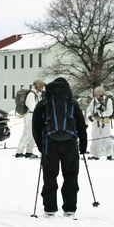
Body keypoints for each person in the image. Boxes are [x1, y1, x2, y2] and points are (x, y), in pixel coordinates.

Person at [32, 77, 87, 218]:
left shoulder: (43, 104)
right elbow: (81, 125)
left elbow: (35, 128)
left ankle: (49, 208)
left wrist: (40, 146)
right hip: (70, 144)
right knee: (70, 175)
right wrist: (83, 145)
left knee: (50, 176)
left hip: (50, 144)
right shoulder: (73, 104)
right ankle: (70, 209)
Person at [15, 80, 45, 158]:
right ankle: (19, 152)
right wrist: (38, 111)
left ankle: (29, 151)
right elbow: (30, 105)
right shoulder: (31, 94)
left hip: (35, 117)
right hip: (29, 117)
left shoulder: (38, 95)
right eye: (41, 86)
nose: (42, 88)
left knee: (33, 135)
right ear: (37, 86)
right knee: (27, 134)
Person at [86, 86, 113, 160]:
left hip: (105, 121)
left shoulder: (108, 101)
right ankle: (94, 154)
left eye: (97, 95)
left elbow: (109, 112)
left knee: (107, 138)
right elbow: (89, 109)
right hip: (96, 121)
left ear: (101, 95)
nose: (96, 97)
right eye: (95, 95)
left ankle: (109, 154)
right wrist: (89, 115)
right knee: (95, 137)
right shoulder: (94, 101)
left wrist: (101, 114)